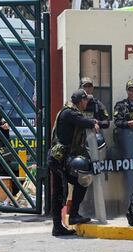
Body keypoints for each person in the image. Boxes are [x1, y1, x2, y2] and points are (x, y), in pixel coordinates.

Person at [48, 89, 100, 236]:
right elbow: (83, 121)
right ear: (79, 100)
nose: (87, 103)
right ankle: (59, 225)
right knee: (61, 191)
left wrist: (94, 121)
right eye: (85, 100)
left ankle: (67, 220)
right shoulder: (70, 112)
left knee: (80, 181)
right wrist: (92, 122)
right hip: (59, 159)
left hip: (61, 159)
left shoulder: (70, 111)